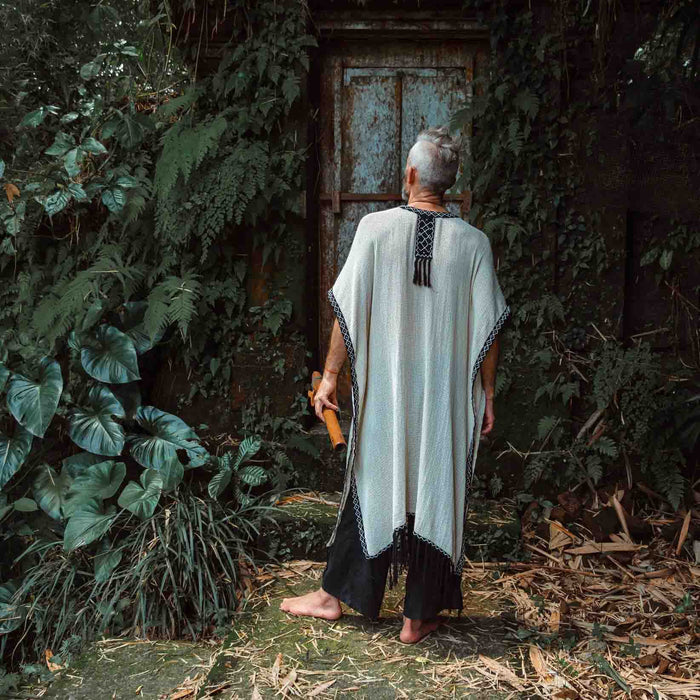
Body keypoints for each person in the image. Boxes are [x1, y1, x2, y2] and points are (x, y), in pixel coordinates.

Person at [280, 126, 511, 644]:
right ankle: (416, 618)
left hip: (387, 396)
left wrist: (331, 377)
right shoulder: (474, 243)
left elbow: (347, 310)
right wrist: (489, 394)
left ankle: (333, 597)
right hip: (444, 405)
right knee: (436, 487)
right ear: (449, 184)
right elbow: (490, 329)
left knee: (370, 482)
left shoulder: (374, 228)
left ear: (410, 175)